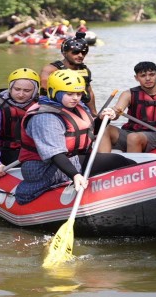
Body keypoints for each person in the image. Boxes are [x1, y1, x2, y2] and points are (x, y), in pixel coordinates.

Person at [15, 70, 135, 204]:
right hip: (44, 169)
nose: (75, 98)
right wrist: (75, 175)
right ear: (54, 92)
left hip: (70, 159)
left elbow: (90, 131)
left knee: (125, 161)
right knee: (116, 160)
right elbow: (55, 153)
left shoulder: (77, 107)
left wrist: (103, 119)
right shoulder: (45, 118)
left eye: (78, 94)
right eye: (69, 94)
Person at [0, 68, 40, 178]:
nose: (21, 94)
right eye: (17, 89)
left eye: (27, 91)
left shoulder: (42, 106)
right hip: (8, 154)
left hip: (34, 153)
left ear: (35, 90)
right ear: (10, 87)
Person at [40, 37, 97, 114]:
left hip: (80, 108)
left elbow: (89, 92)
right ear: (64, 53)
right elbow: (43, 92)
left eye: (83, 53)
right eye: (75, 52)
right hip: (57, 109)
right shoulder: (50, 70)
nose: (80, 55)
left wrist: (94, 113)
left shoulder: (84, 70)